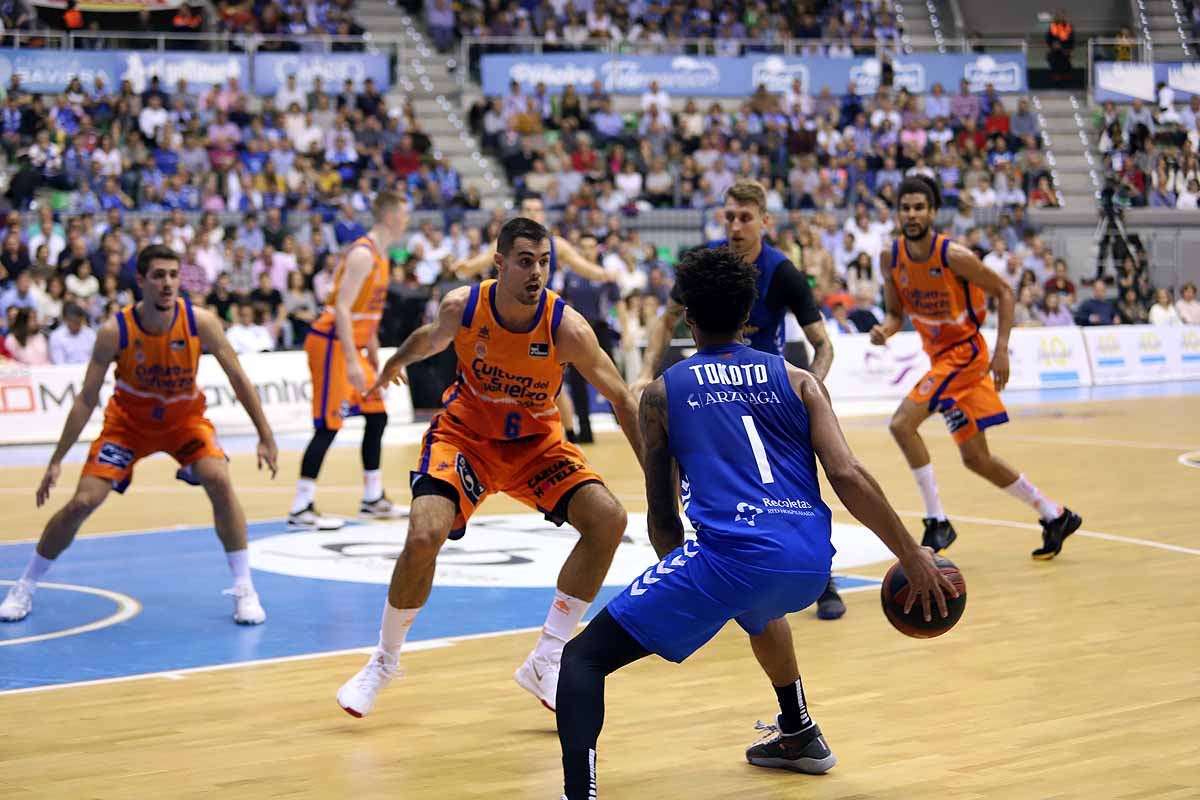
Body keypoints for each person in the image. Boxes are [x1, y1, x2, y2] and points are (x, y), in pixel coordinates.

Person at [555, 247, 956, 800]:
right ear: (750, 317)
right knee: (757, 604)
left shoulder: (663, 393)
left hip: (731, 559)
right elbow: (849, 474)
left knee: (582, 658)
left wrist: (681, 594)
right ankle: (797, 732)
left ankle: (579, 795)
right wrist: (911, 556)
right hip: (811, 562)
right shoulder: (799, 381)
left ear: (689, 319)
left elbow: (665, 520)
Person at [334, 217, 643, 718]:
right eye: (525, 261)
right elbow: (430, 338)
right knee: (422, 534)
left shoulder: (568, 328)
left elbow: (622, 398)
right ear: (499, 263)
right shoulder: (464, 306)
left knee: (608, 519)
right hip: (467, 435)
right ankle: (384, 660)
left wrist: (656, 474)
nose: (536, 272)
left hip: (535, 444)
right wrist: (396, 363)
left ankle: (547, 656)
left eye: (544, 262)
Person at [0, 245, 279, 624]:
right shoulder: (115, 330)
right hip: (128, 426)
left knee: (220, 480)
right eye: (159, 275)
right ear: (142, 281)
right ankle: (26, 585)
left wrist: (265, 434)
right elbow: (85, 399)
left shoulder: (202, 322)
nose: (168, 283)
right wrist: (56, 460)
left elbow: (239, 380)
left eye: (173, 275)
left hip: (184, 422)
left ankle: (244, 587)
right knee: (82, 502)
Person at [629, 179, 843, 618]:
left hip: (769, 398)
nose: (736, 225)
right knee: (687, 478)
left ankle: (824, 580)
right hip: (713, 393)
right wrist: (646, 371)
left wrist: (812, 391)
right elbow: (667, 320)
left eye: (746, 217)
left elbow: (823, 344)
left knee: (793, 486)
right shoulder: (705, 264)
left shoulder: (782, 272)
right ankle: (686, 573)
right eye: (729, 216)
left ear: (764, 221)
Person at [871, 176, 1081, 560]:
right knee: (976, 459)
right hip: (942, 360)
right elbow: (894, 313)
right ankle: (1055, 515)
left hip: (965, 355)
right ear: (898, 212)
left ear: (933, 212)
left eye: (920, 207)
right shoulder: (891, 258)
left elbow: (1005, 291)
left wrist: (1001, 349)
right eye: (906, 207)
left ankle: (937, 522)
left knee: (902, 424)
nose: (912, 214)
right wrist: (884, 330)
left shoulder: (954, 256)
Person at [288, 191, 410, 530]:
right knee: (329, 424)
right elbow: (341, 308)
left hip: (354, 346)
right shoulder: (362, 254)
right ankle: (301, 506)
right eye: (404, 214)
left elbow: (366, 316)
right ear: (389, 217)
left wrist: (378, 360)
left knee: (377, 416)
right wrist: (352, 360)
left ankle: (372, 498)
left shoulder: (383, 256)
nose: (407, 220)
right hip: (331, 345)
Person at [453, 193, 612, 441]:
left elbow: (583, 266)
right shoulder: (505, 243)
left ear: (543, 215)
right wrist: (463, 266)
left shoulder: (557, 244)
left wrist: (605, 274)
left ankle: (568, 439)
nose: (531, 213)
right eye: (527, 208)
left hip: (543, 321)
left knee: (555, 389)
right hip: (503, 322)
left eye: (536, 209)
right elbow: (479, 262)